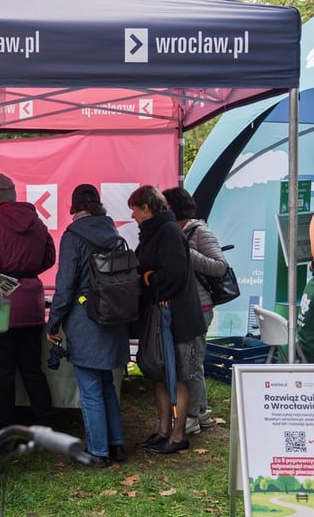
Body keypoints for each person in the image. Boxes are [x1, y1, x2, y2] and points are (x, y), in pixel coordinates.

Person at [45, 184, 129, 468]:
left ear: (74, 207)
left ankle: (98, 452)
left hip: (85, 319)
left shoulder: (73, 236)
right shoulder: (113, 233)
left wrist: (53, 321)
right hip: (114, 317)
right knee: (107, 384)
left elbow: (65, 286)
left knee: (90, 389)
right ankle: (116, 446)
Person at [0, 174, 56, 431]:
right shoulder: (37, 222)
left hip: (0, 306)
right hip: (31, 303)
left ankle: (5, 427)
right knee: (33, 369)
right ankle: (45, 422)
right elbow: (49, 257)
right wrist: (27, 274)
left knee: (3, 371)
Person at [129, 185, 203, 455]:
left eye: (135, 210)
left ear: (146, 208)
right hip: (159, 317)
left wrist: (149, 280)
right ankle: (163, 431)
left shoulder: (169, 232)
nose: (133, 216)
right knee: (159, 374)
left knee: (179, 375)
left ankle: (179, 434)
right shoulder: (153, 233)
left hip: (178, 320)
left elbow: (172, 274)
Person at [162, 186, 226, 436]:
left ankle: (193, 416)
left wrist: (185, 252)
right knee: (188, 361)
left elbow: (220, 267)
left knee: (192, 362)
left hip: (200, 306)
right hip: (182, 306)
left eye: (163, 206)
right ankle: (200, 411)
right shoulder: (173, 231)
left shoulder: (199, 232)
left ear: (172, 207)